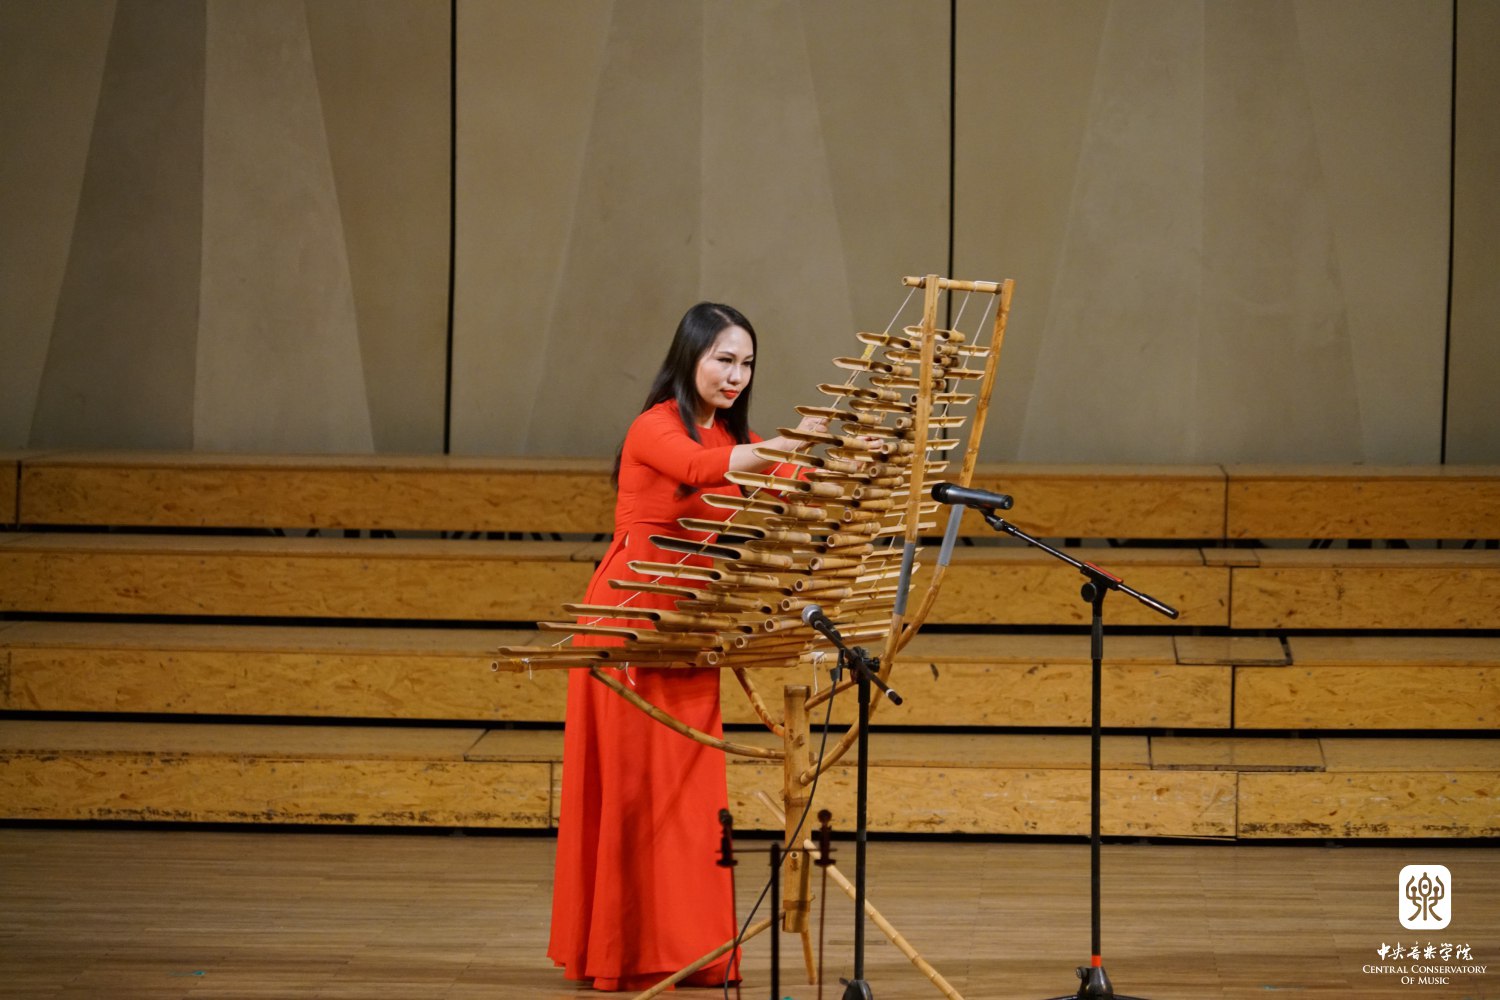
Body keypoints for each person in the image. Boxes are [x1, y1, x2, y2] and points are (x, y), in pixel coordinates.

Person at [547, 302, 827, 991]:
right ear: (690, 356)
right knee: (635, 795)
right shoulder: (655, 427)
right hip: (630, 626)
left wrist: (842, 466)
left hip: (690, 630)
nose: (737, 375)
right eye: (724, 359)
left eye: (747, 363)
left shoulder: (737, 436)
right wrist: (791, 443)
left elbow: (788, 485)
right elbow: (703, 470)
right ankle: (621, 953)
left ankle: (689, 952)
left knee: (689, 799)